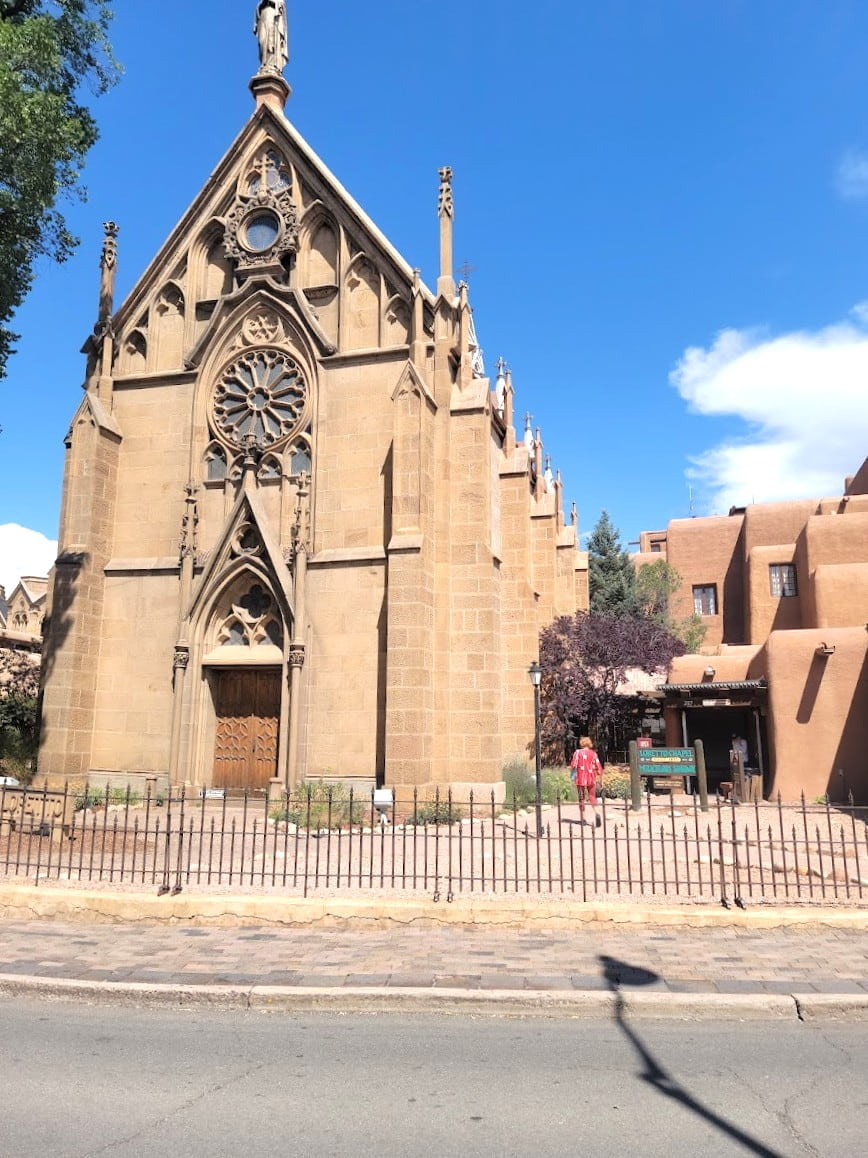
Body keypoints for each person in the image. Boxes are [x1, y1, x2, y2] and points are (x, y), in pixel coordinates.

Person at [569, 736, 603, 828]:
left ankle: (583, 819)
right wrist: (599, 776)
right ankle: (597, 813)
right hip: (591, 777)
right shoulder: (593, 754)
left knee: (581, 798)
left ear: (581, 743)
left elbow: (574, 764)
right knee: (592, 796)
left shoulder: (578, 752)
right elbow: (599, 767)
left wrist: (572, 775)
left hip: (581, 778)